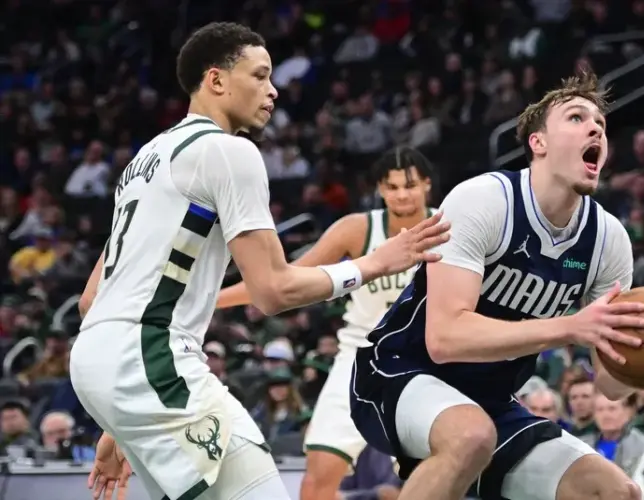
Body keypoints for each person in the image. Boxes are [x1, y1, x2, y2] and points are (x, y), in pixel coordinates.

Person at [69, 22, 449, 500]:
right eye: (260, 75)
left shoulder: (146, 158)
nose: (273, 91)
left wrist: (118, 419)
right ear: (217, 80)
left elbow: (90, 301)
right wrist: (375, 263)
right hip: (149, 358)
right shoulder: (229, 151)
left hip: (99, 360)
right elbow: (274, 291)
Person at [350, 71, 644, 500]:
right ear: (538, 143)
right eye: (576, 117)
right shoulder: (484, 200)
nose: (596, 127)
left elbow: (611, 385)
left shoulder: (608, 240)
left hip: (490, 400)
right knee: (470, 436)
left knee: (613, 493)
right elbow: (444, 338)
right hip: (399, 372)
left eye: (601, 125)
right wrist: (570, 326)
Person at [217, 146, 437, 500]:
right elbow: (284, 278)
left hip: (429, 361)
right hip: (361, 357)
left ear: (427, 185)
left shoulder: (449, 224)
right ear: (380, 189)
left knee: (440, 476)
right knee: (316, 480)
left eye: (409, 185)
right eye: (392, 186)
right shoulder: (357, 229)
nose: (402, 194)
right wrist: (212, 298)